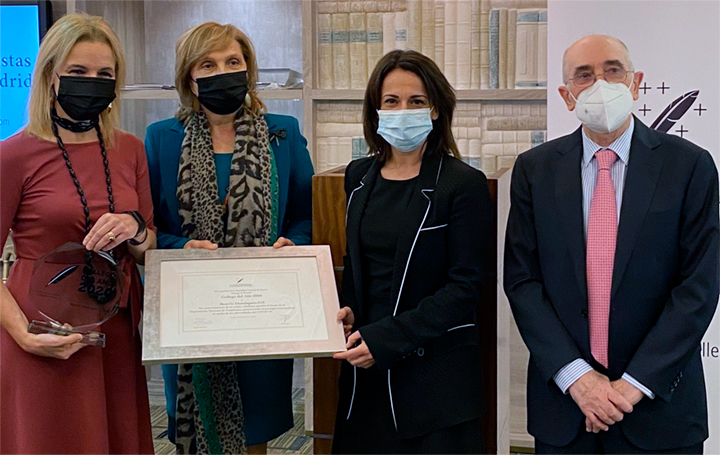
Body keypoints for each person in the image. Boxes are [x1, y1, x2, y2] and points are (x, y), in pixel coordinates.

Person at [504, 34, 719, 454]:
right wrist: (578, 379)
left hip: (660, 411)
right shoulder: (535, 170)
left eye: (612, 70)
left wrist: (633, 387)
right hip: (565, 412)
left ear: (635, 83)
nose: (600, 83)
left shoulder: (689, 166)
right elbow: (522, 282)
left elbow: (698, 286)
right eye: (584, 75)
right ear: (567, 96)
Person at [145, 22, 313, 454]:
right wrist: (181, 248)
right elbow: (147, 228)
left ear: (248, 69)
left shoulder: (284, 133)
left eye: (233, 62)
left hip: (262, 310)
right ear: (190, 78)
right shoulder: (162, 138)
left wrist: (293, 243)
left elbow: (306, 214)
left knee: (257, 431)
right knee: (198, 426)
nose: (223, 72)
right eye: (209, 64)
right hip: (191, 314)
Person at [0, 13, 156, 454]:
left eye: (105, 74)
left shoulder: (130, 149)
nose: (93, 82)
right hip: (42, 329)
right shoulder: (13, 155)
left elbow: (148, 250)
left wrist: (134, 225)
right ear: (51, 77)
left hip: (115, 327)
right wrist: (23, 334)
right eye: (79, 72)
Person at [331, 49, 492, 454]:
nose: (403, 110)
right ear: (376, 110)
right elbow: (358, 263)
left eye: (416, 101)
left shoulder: (462, 184)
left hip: (434, 385)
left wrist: (386, 339)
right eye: (392, 101)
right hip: (364, 377)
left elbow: (466, 287)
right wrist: (349, 309)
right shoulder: (358, 177)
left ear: (435, 109)